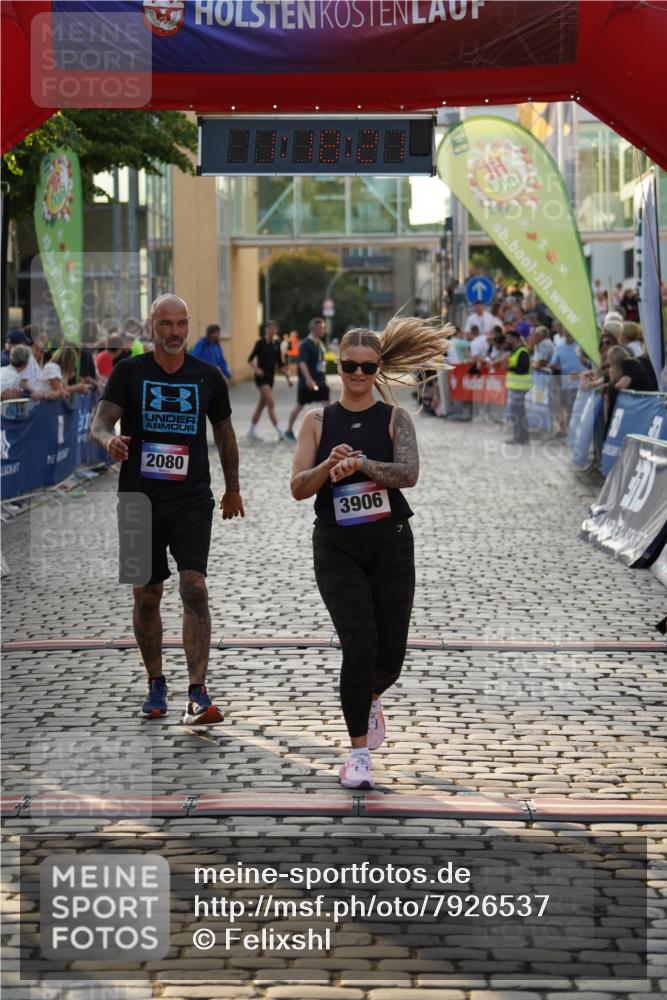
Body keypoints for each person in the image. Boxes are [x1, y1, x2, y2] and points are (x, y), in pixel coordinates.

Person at [290, 316, 451, 789]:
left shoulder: (395, 419)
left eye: (366, 367)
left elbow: (409, 473)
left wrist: (363, 464)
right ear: (337, 366)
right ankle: (358, 755)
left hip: (390, 542)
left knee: (390, 656)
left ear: (379, 368)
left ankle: (372, 693)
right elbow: (298, 487)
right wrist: (328, 465)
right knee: (358, 642)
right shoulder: (317, 421)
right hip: (337, 544)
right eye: (349, 366)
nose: (358, 375)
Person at [90, 294, 244, 726]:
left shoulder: (207, 376)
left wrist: (233, 488)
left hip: (192, 497)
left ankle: (197, 689)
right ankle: (155, 682)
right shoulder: (129, 372)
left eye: (181, 323)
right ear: (151, 325)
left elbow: (226, 434)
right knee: (146, 597)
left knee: (194, 588)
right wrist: (109, 440)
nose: (174, 332)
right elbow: (100, 422)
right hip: (137, 499)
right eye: (166, 324)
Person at [283, 317, 329, 442]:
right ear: (314, 329)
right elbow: (302, 363)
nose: (324, 330)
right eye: (322, 327)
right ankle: (288, 431)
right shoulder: (305, 344)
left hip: (320, 380)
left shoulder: (318, 342)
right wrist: (308, 379)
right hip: (308, 382)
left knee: (327, 406)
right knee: (299, 406)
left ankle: (330, 432)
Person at [247, 320, 292, 440]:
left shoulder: (276, 344)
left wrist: (287, 378)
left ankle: (251, 430)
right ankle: (279, 431)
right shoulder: (260, 343)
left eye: (274, 328)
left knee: (262, 405)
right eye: (270, 328)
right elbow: (250, 359)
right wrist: (256, 369)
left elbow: (280, 363)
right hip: (261, 378)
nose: (272, 331)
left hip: (270, 378)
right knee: (271, 403)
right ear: (266, 330)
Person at [504, 328, 532, 444]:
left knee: (518, 413)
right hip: (515, 387)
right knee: (517, 412)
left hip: (520, 387)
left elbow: (523, 369)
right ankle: (520, 436)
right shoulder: (514, 351)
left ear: (515, 339)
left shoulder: (522, 352)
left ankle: (520, 437)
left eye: (508, 338)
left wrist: (509, 368)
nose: (507, 341)